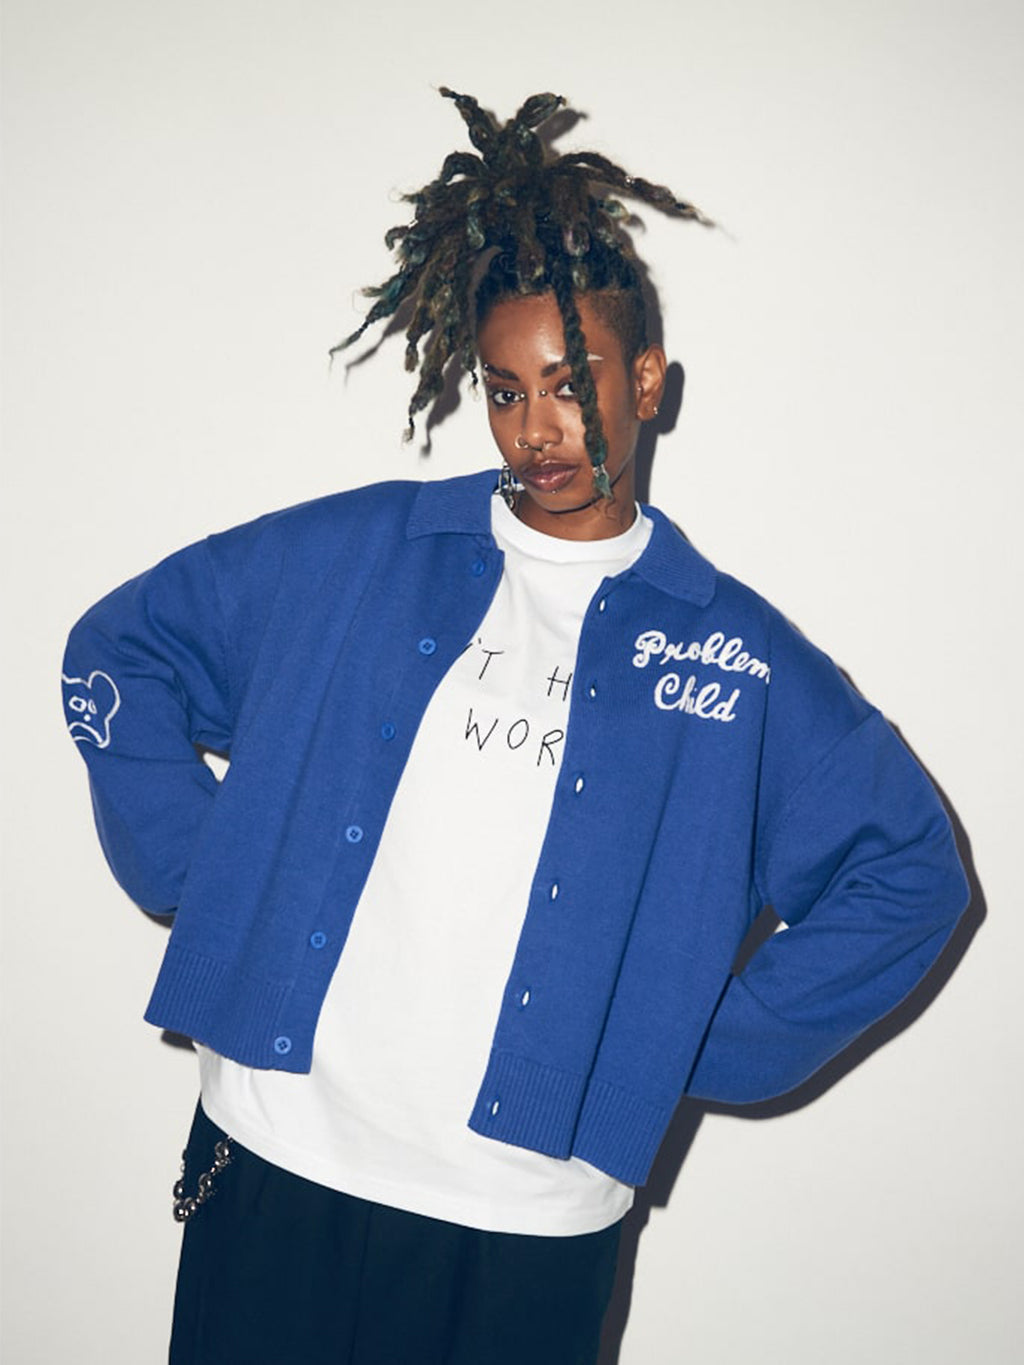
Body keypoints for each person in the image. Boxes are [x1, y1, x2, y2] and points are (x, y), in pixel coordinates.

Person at [61, 89, 969, 1365]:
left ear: (644, 380)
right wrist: (197, 872)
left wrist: (683, 1036)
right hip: (276, 1153)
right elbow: (121, 652)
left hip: (528, 1220)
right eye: (502, 390)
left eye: (568, 383)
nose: (534, 430)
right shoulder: (359, 554)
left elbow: (911, 875)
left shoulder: (731, 656)